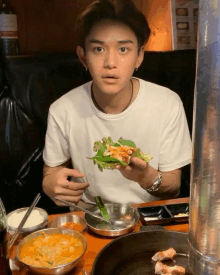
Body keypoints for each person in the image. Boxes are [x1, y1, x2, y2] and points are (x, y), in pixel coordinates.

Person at [42, 0, 191, 208]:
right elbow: (51, 171)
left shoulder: (167, 104)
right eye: (98, 49)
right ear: (83, 56)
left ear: (139, 56)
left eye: (123, 49)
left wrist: (146, 177)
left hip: (147, 216)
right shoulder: (62, 109)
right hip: (91, 214)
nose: (110, 63)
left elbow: (173, 186)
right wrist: (50, 183)